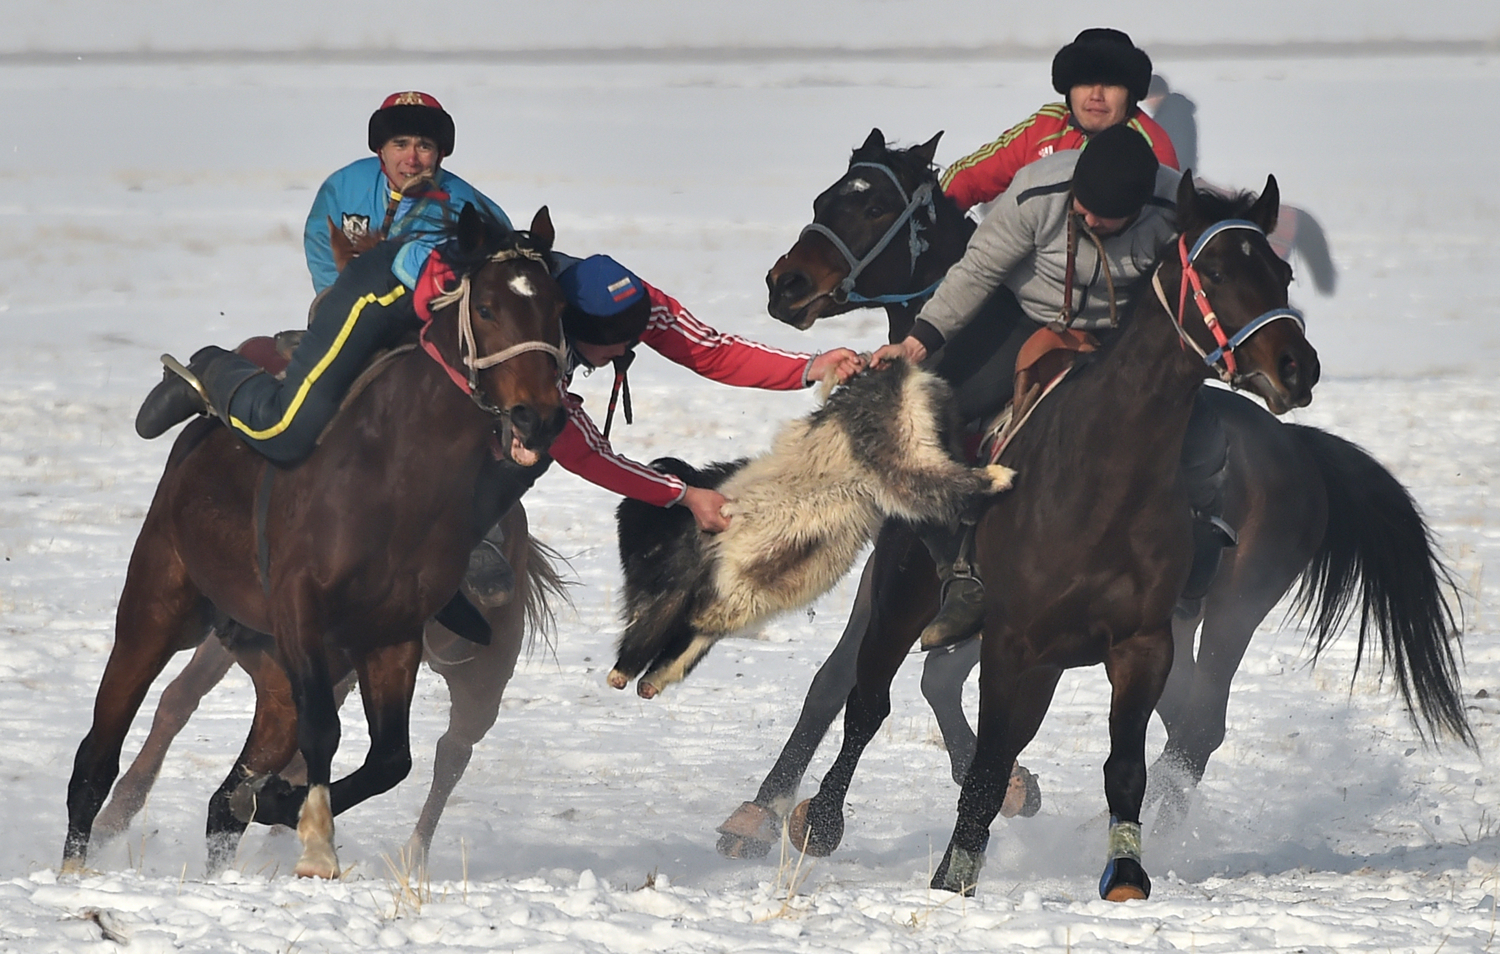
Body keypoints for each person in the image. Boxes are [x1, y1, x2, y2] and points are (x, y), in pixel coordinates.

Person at [874, 124, 1229, 650]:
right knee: (919, 419)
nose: (1086, 219)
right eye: (1081, 209)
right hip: (1020, 316)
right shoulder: (1038, 192)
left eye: (1102, 218)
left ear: (1136, 212)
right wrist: (918, 344)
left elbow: (1206, 285)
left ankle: (1202, 536)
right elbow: (977, 272)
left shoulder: (1173, 212)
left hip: (1119, 336)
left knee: (1203, 431)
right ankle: (960, 569)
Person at [548, 253, 866, 532]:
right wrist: (684, 495)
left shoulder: (634, 303)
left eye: (632, 339)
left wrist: (810, 367)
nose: (622, 351)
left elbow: (711, 351)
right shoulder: (537, 350)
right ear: (572, 328)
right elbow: (582, 452)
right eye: (611, 341)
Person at [939, 28, 1178, 216]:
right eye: (1085, 82)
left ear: (1130, 95)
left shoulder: (1150, 145)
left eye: (1110, 84)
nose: (1096, 94)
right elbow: (967, 177)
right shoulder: (1045, 126)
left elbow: (1166, 223)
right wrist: (934, 218)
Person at [1143, 73, 1198, 177]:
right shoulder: (1174, 110)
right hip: (1179, 170)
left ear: (1158, 95)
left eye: (1149, 97)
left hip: (1174, 171)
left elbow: (1180, 146)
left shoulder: (1170, 115)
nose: (1147, 103)